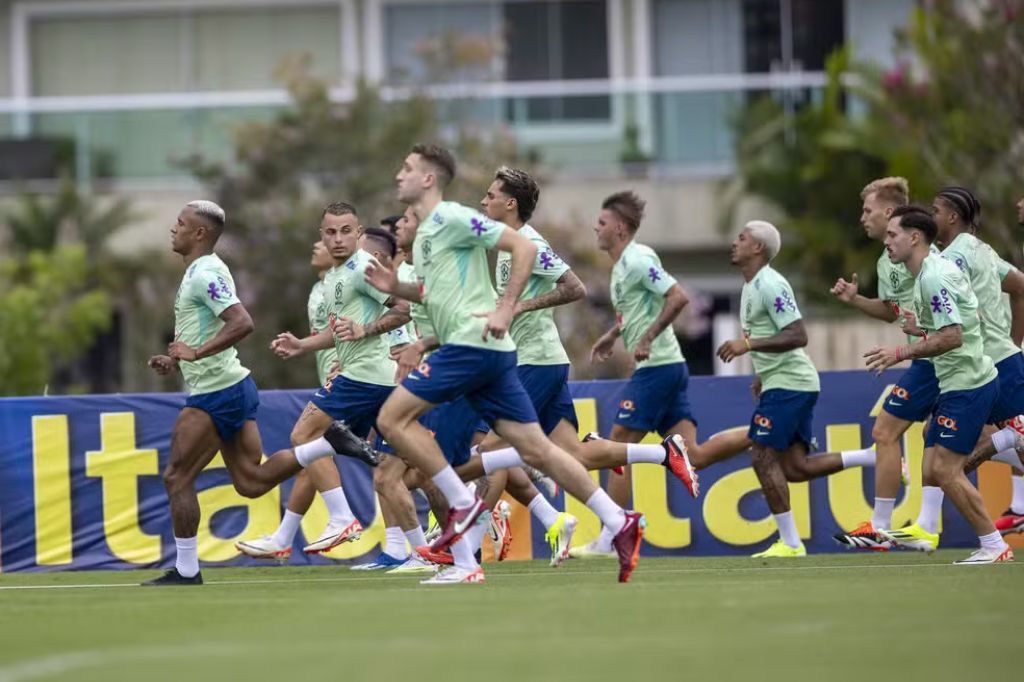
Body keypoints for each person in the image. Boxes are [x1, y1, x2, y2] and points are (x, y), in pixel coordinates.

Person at [365, 144, 645, 584]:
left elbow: (522, 247)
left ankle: (462, 507)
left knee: (392, 418)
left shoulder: (452, 217)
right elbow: (436, 296)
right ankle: (616, 519)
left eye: (407, 168)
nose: (399, 175)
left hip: (472, 350)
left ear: (428, 179)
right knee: (536, 450)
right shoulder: (434, 233)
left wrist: (507, 307)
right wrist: (396, 287)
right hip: (490, 352)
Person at [144, 201, 372, 585]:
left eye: (181, 224)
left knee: (176, 477)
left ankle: (186, 570)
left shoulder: (206, 273)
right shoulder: (199, 272)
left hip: (217, 392)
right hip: (229, 386)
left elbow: (241, 322)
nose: (174, 229)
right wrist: (179, 360)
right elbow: (203, 332)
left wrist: (196, 353)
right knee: (251, 482)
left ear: (199, 233)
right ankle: (326, 444)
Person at [236, 204, 409, 559]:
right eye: (330, 232)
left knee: (305, 437)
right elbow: (338, 332)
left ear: (359, 233)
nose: (338, 238)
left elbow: (404, 309)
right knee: (395, 469)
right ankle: (419, 549)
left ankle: (342, 518)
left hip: (366, 376)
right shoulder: (334, 276)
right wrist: (303, 344)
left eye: (346, 231)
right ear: (321, 235)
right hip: (374, 378)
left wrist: (367, 330)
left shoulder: (363, 267)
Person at [868, 206, 1013, 564]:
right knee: (934, 469)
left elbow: (953, 337)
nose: (886, 243)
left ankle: (994, 546)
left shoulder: (933, 276)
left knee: (946, 470)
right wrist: (922, 328)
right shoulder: (928, 273)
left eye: (892, 235)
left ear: (914, 237)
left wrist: (901, 350)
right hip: (959, 382)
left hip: (968, 383)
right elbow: (968, 315)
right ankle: (1010, 438)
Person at [718, 221, 867, 557]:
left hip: (792, 384)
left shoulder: (771, 283)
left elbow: (798, 334)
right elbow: (774, 335)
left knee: (760, 455)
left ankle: (790, 542)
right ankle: (871, 456)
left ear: (757, 248)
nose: (734, 243)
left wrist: (748, 345)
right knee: (795, 468)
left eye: (741, 238)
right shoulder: (751, 285)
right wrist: (762, 373)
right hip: (781, 383)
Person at [828, 178, 927, 549]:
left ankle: (885, 528)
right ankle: (884, 528)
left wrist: (910, 342)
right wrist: (856, 300)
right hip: (928, 359)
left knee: (984, 441)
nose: (862, 218)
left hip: (947, 357)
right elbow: (891, 312)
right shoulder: (888, 259)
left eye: (867, 210)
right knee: (890, 434)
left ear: (889, 212)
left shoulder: (928, 251)